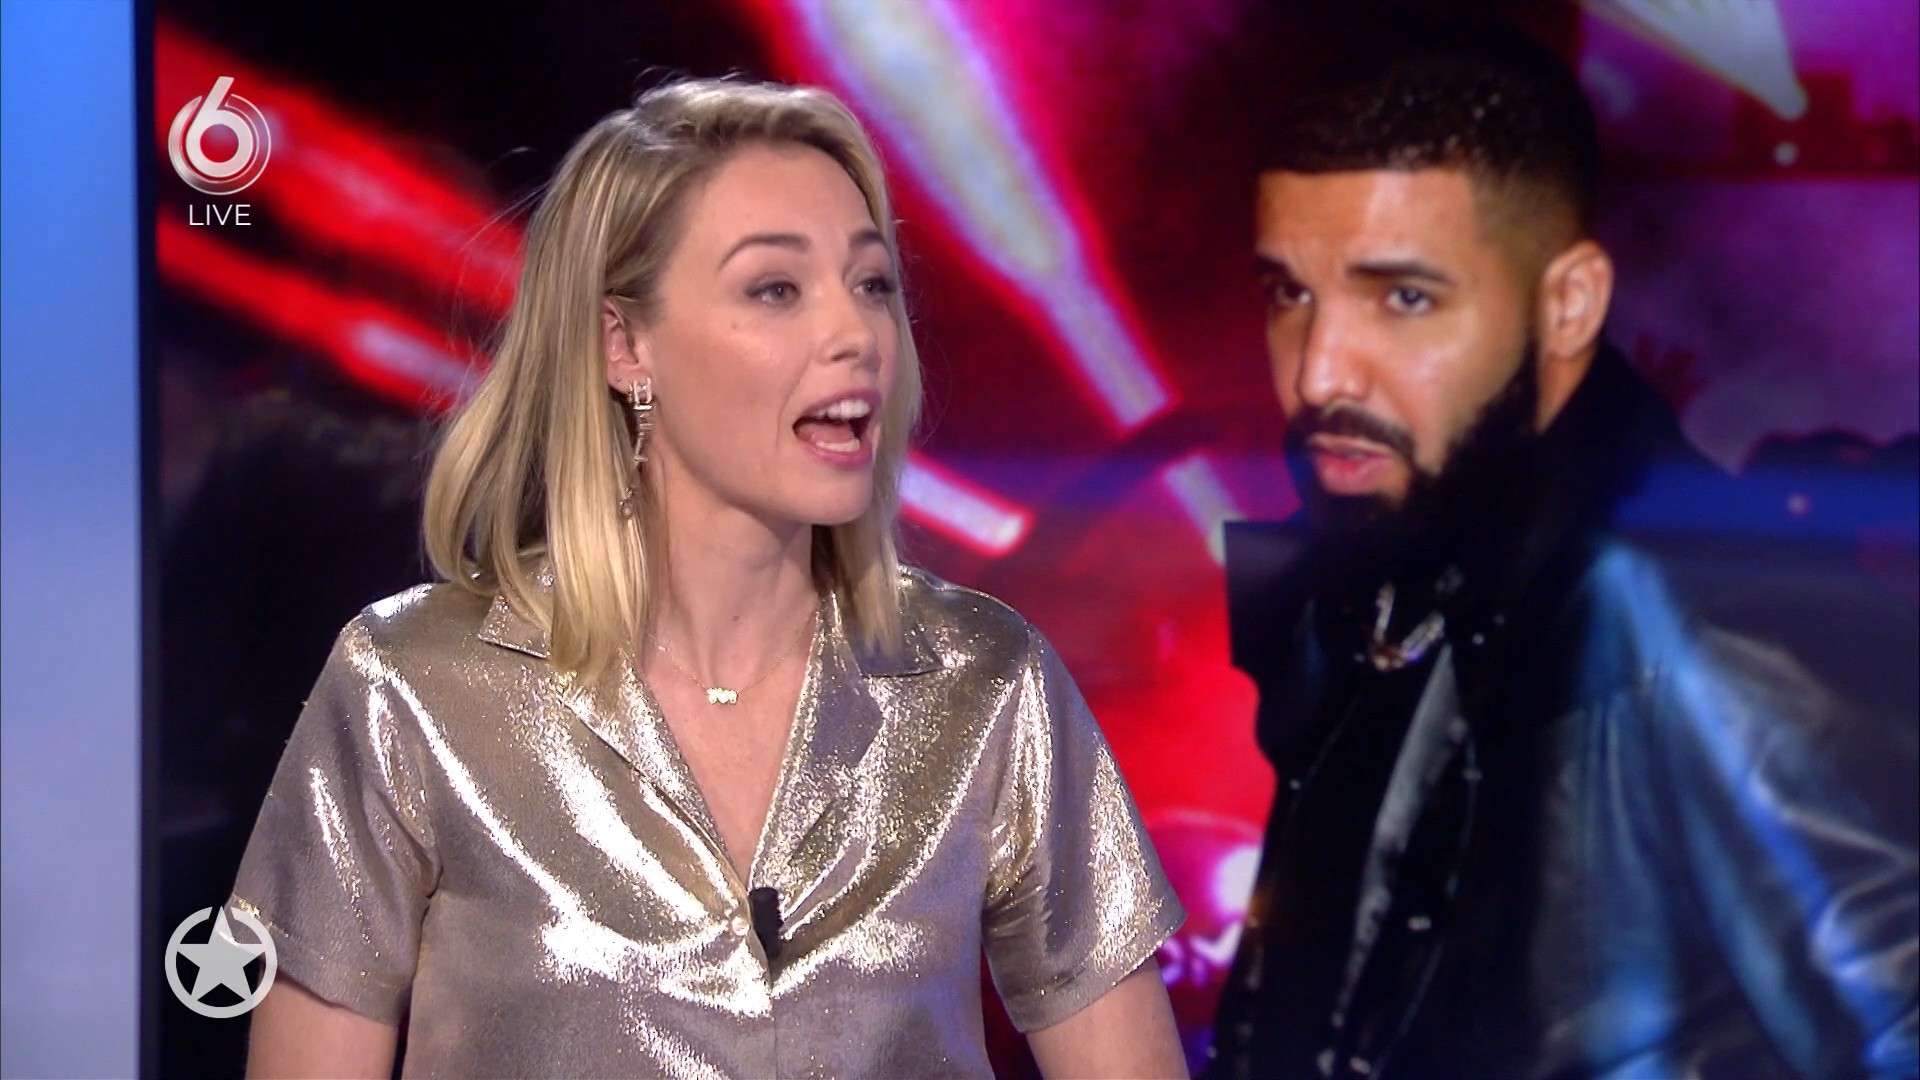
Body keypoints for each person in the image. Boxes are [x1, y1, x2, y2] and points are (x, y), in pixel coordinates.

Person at [228, 76, 1188, 1079]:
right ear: (625, 344)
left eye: (872, 284)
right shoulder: (413, 688)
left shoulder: (983, 683)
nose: (855, 335)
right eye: (777, 289)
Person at [1207, 21, 1918, 1080]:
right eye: (1290, 293)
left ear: (1568, 305)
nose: (1319, 373)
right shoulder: (1376, 582)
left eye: (1404, 298)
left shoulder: (1700, 615)